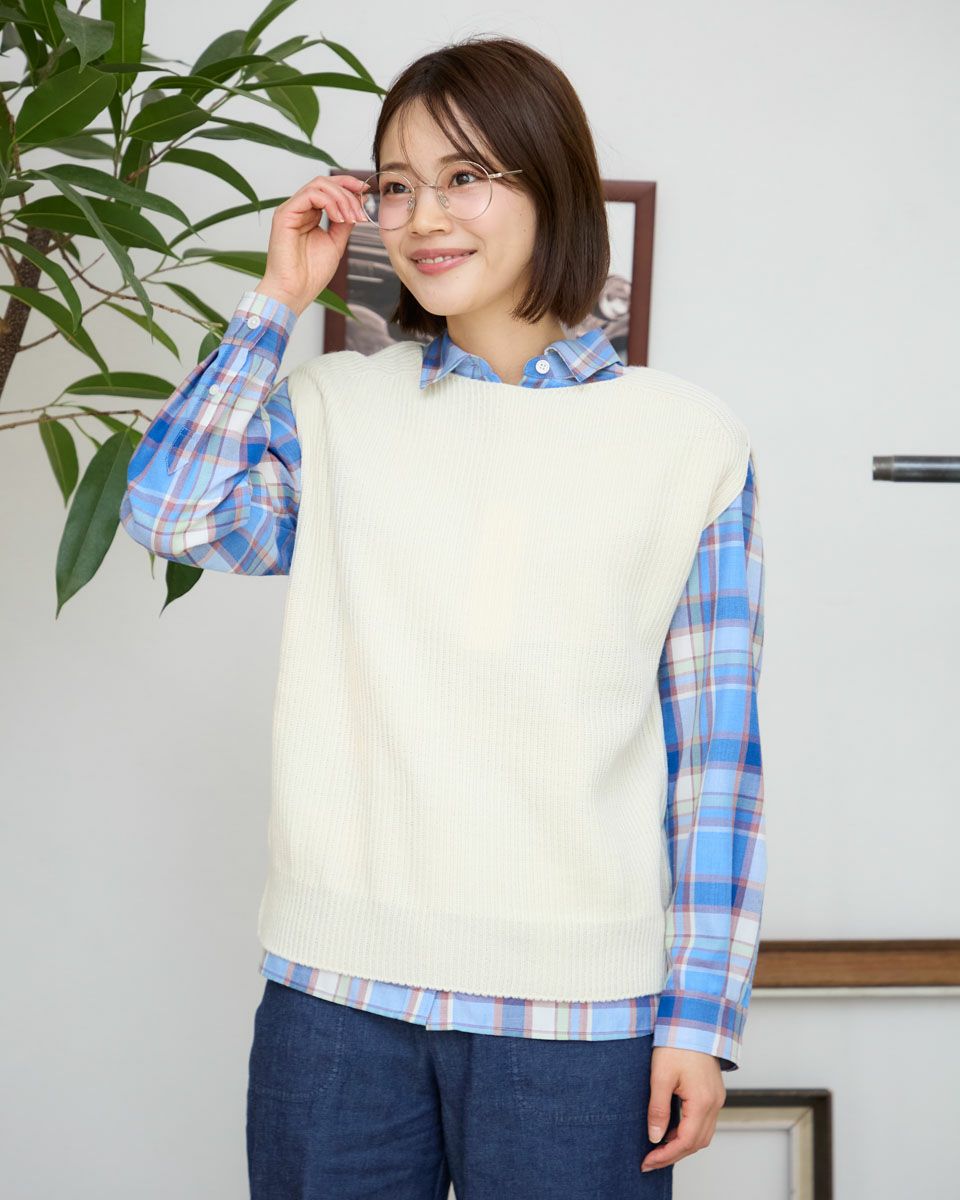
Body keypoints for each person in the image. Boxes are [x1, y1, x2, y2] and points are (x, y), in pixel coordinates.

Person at [122, 34, 766, 1200]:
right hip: (335, 1002)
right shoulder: (334, 409)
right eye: (398, 185)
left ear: (550, 185)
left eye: (465, 177)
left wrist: (701, 1018)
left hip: (581, 1019)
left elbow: (716, 761)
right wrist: (276, 302)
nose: (424, 216)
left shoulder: (690, 441)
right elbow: (171, 512)